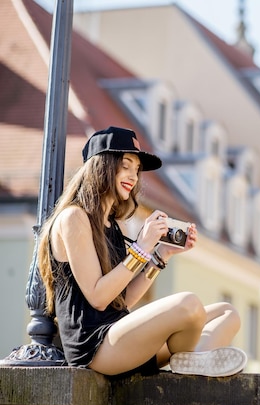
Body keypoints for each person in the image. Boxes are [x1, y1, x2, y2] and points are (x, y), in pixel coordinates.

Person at [37, 126, 247, 377]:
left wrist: (160, 255)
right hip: (95, 348)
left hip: (122, 337)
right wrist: (142, 247)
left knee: (227, 312)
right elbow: (98, 297)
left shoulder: (111, 225)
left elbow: (121, 301)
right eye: (125, 165)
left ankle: (192, 360)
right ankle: (196, 359)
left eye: (136, 169)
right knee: (188, 303)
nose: (133, 176)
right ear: (101, 166)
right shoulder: (74, 217)